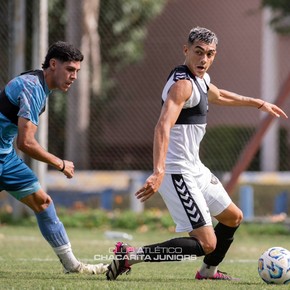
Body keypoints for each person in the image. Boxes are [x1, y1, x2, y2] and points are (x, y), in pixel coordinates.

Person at [106, 26, 288, 281]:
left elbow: (219, 95)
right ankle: (130, 255)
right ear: (186, 50)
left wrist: (258, 103)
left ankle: (208, 271)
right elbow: (162, 126)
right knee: (207, 243)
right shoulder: (182, 84)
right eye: (198, 52)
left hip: (195, 168)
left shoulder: (200, 79)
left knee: (233, 217)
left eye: (210, 54)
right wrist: (158, 171)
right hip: (177, 171)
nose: (204, 59)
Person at [0, 41, 108, 275]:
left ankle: (73, 266)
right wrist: (60, 163)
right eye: (70, 69)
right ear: (53, 64)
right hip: (6, 153)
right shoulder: (32, 87)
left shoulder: (40, 86)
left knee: (43, 202)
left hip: (5, 156)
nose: (74, 76)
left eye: (77, 71)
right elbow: (26, 143)